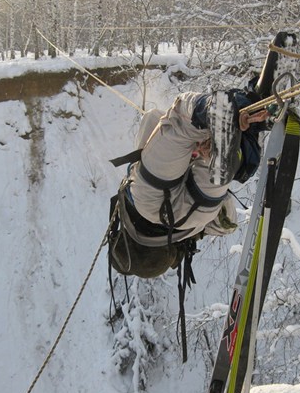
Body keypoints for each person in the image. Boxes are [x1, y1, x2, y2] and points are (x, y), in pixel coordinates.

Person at [109, 84, 271, 279]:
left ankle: (246, 137)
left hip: (194, 218)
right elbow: (152, 117)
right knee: (180, 122)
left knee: (218, 163)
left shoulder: (187, 239)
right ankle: (212, 111)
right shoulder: (130, 210)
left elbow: (228, 221)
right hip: (149, 200)